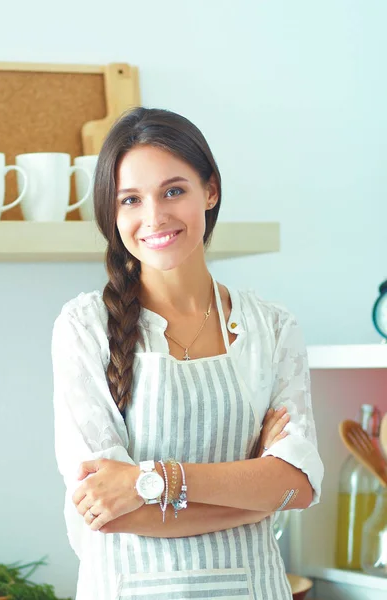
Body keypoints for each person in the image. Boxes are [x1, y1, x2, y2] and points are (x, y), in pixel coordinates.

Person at [51, 107, 323, 600]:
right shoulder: (84, 327)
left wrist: (150, 479)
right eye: (131, 199)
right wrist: (256, 499)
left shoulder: (273, 328)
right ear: (112, 215)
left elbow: (297, 485)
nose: (154, 217)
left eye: (173, 191)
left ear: (210, 190)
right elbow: (107, 510)